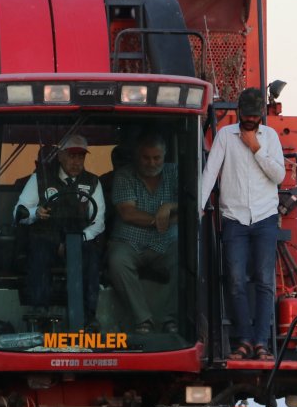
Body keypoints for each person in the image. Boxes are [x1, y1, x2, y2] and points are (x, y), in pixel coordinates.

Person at [200, 88, 286, 360]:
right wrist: (199, 207)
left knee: (264, 281)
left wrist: (256, 149)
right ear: (239, 113)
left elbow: (279, 176)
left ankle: (261, 342)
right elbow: (210, 171)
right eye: (246, 115)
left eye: (254, 116)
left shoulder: (270, 138)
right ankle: (244, 340)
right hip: (234, 217)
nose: (250, 120)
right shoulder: (226, 135)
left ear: (261, 115)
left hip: (264, 216)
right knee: (235, 280)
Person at [14, 134, 105, 324]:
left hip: (79, 238)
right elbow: (19, 212)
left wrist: (78, 239)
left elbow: (99, 222)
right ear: (61, 156)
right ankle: (39, 311)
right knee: (38, 252)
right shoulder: (41, 178)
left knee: (91, 256)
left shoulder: (93, 182)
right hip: (46, 237)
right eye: (72, 156)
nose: (76, 162)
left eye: (81, 157)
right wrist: (35, 213)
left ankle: (88, 317)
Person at [107, 133, 179, 333]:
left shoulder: (175, 172)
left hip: (166, 242)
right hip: (129, 242)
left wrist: (169, 206)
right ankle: (143, 319)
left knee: (186, 256)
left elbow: (191, 203)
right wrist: (161, 220)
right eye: (146, 158)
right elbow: (127, 213)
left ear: (165, 156)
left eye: (157, 158)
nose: (151, 162)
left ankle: (169, 318)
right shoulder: (124, 175)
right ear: (137, 157)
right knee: (117, 261)